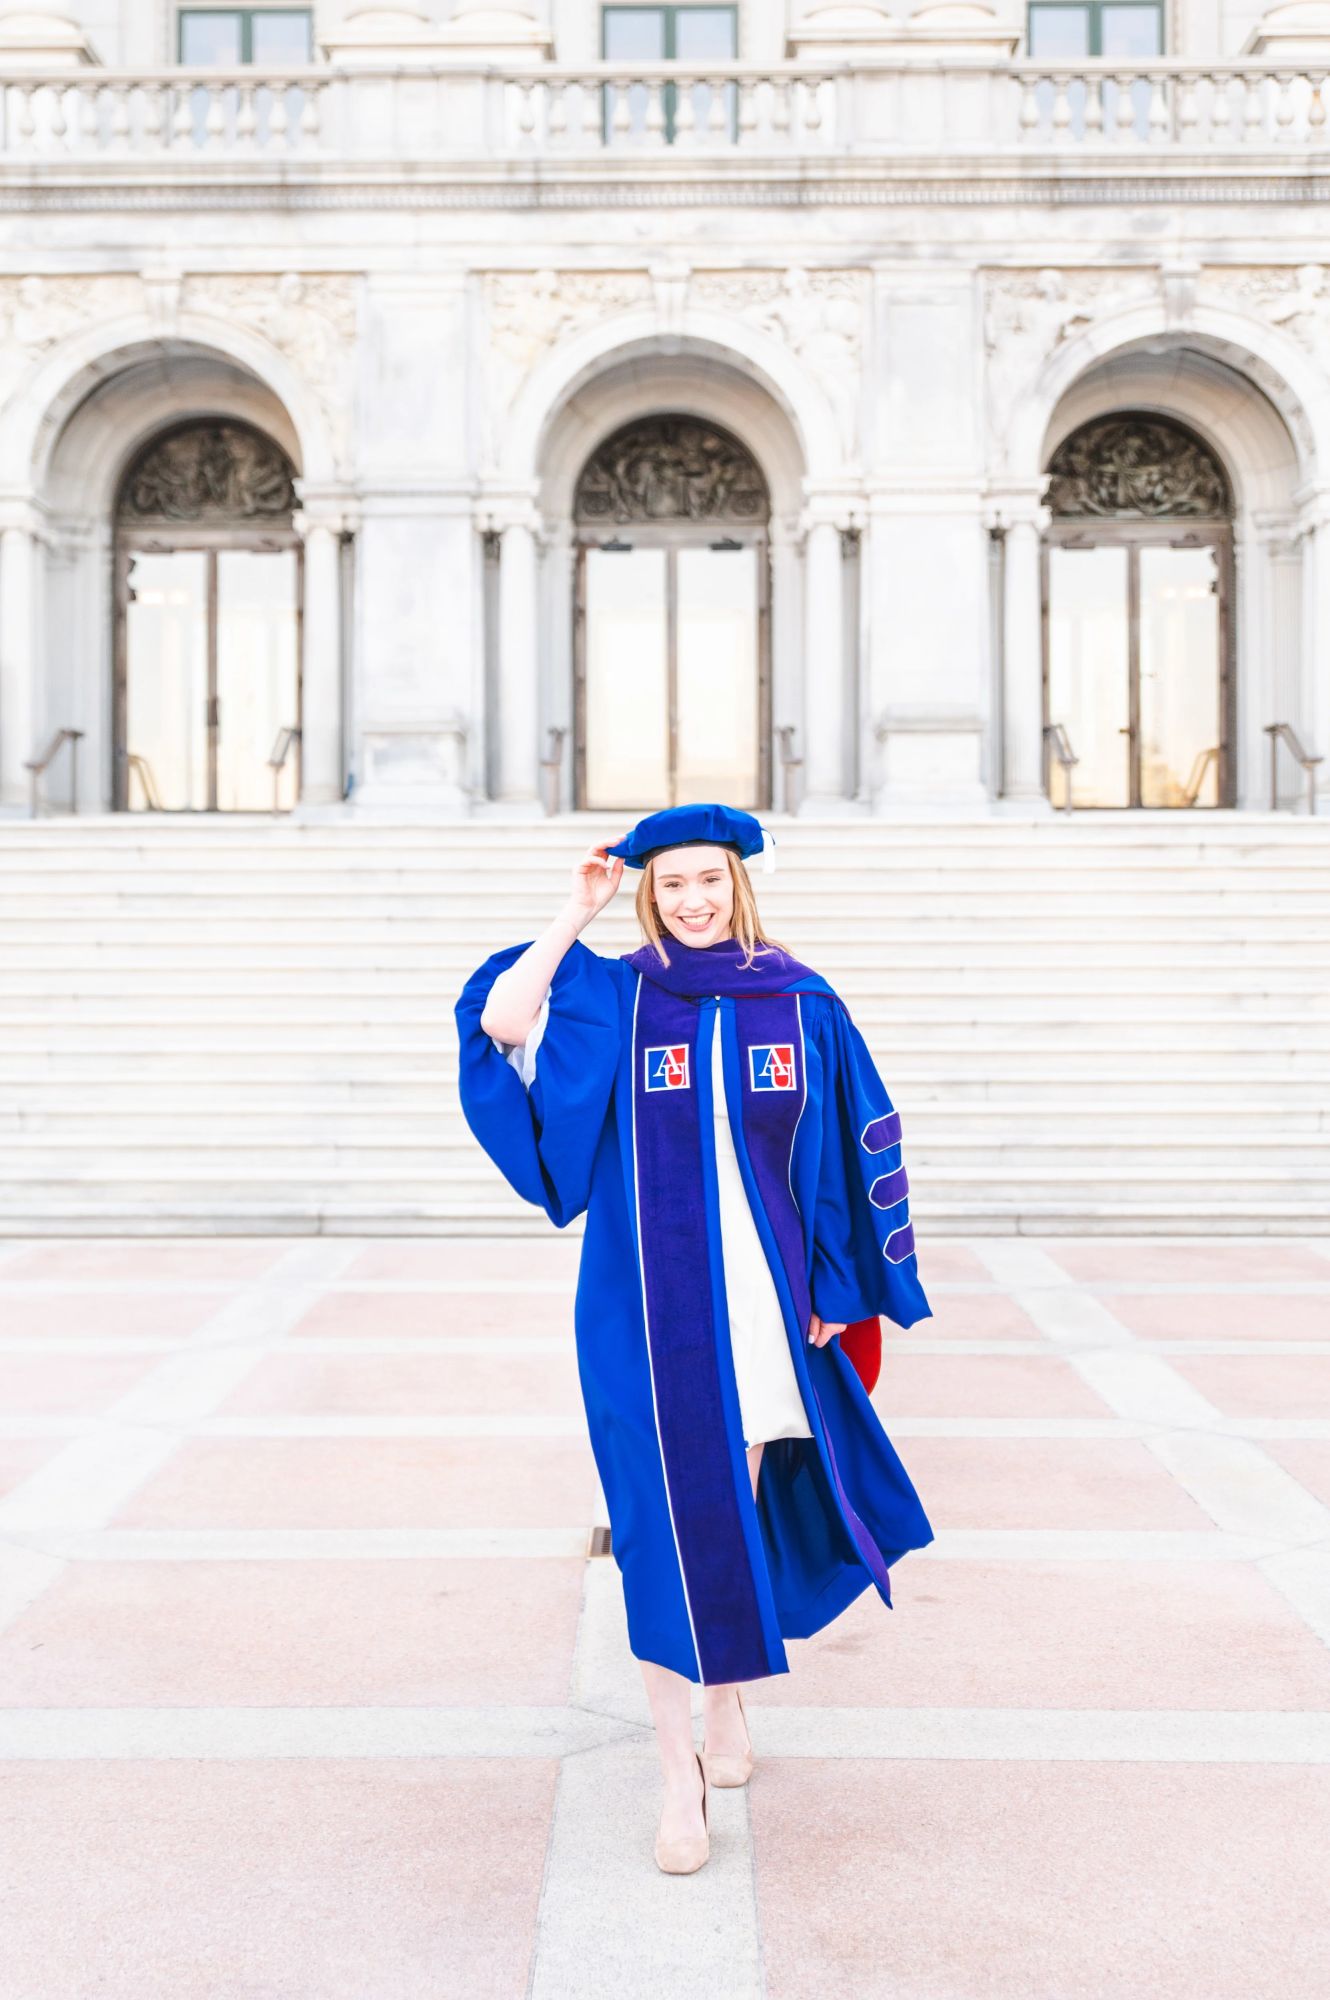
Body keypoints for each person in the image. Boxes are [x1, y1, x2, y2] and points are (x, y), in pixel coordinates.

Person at [455, 802, 933, 1876]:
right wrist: (572, 914)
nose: (693, 899)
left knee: (735, 1505)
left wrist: (842, 1284)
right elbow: (498, 1022)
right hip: (643, 1307)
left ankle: (725, 1708)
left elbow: (857, 1142)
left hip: (763, 1307)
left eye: (709, 879)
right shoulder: (618, 995)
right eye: (671, 884)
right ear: (648, 892)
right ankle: (678, 1770)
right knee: (660, 1524)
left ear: (738, 882)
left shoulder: (799, 1001)